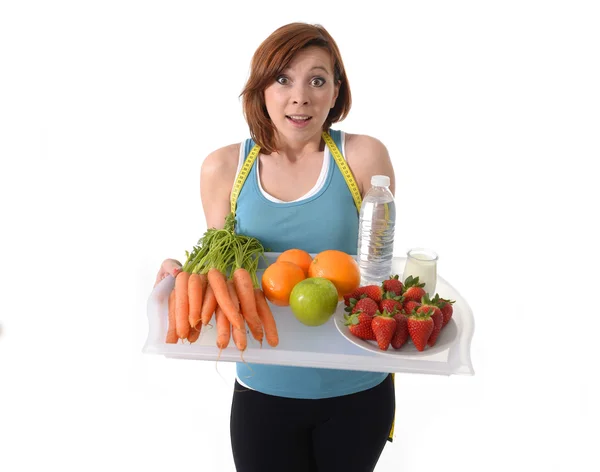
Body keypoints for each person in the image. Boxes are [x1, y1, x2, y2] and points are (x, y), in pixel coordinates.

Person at [154, 22, 396, 472]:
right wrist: (180, 270)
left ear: (336, 90)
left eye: (317, 80)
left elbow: (378, 265)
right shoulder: (224, 166)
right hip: (264, 385)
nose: (299, 96)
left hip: (359, 385)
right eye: (283, 78)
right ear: (261, 87)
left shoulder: (364, 157)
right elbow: (219, 264)